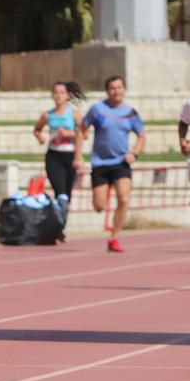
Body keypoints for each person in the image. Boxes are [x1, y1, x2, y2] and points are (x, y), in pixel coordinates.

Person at [75, 75, 146, 253]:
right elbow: (82, 129)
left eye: (119, 88)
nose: (116, 91)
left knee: (124, 198)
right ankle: (102, 195)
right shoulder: (98, 110)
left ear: (124, 90)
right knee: (99, 207)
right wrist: (78, 156)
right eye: (112, 88)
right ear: (107, 91)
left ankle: (114, 237)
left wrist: (134, 153)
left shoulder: (130, 113)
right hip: (100, 163)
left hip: (121, 162)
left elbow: (142, 135)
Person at [32, 81, 85, 207]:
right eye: (56, 93)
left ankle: (62, 219)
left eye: (62, 93)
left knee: (67, 193)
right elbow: (37, 129)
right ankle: (58, 220)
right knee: (59, 191)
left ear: (67, 95)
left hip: (70, 155)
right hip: (54, 156)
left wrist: (69, 135)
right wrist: (40, 138)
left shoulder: (74, 114)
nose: (58, 96)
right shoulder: (47, 115)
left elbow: (84, 135)